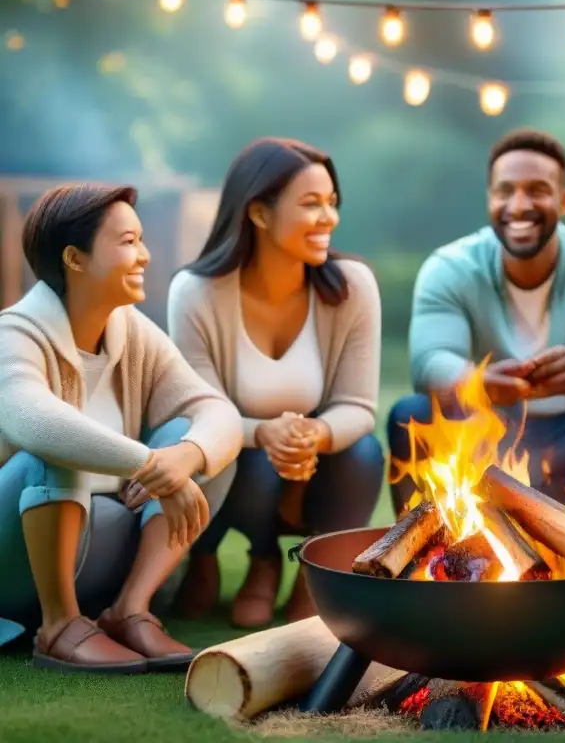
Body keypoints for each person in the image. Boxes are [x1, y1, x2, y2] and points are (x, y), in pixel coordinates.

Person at [0, 184, 243, 673]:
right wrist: (152, 465)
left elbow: (219, 413)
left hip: (101, 556)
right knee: (55, 446)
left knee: (198, 441)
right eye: (128, 241)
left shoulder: (130, 330)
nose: (145, 255)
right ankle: (58, 626)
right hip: (14, 563)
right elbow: (34, 421)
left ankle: (130, 608)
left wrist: (186, 457)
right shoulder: (15, 332)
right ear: (75, 258)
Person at [387, 127, 565, 530]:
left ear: (564, 200)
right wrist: (478, 382)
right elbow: (428, 363)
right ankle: (424, 563)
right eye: (505, 191)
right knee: (411, 413)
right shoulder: (449, 268)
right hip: (485, 448)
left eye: (537, 190)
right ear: (490, 199)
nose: (518, 206)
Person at [167, 137, 385, 629]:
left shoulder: (352, 287)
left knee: (364, 452)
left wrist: (315, 434)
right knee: (245, 458)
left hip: (312, 470)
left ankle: (317, 574)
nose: (328, 217)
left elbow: (356, 405)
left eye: (332, 203)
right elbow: (194, 410)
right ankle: (250, 560)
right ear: (259, 214)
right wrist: (263, 433)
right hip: (234, 469)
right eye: (310, 204)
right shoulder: (195, 292)